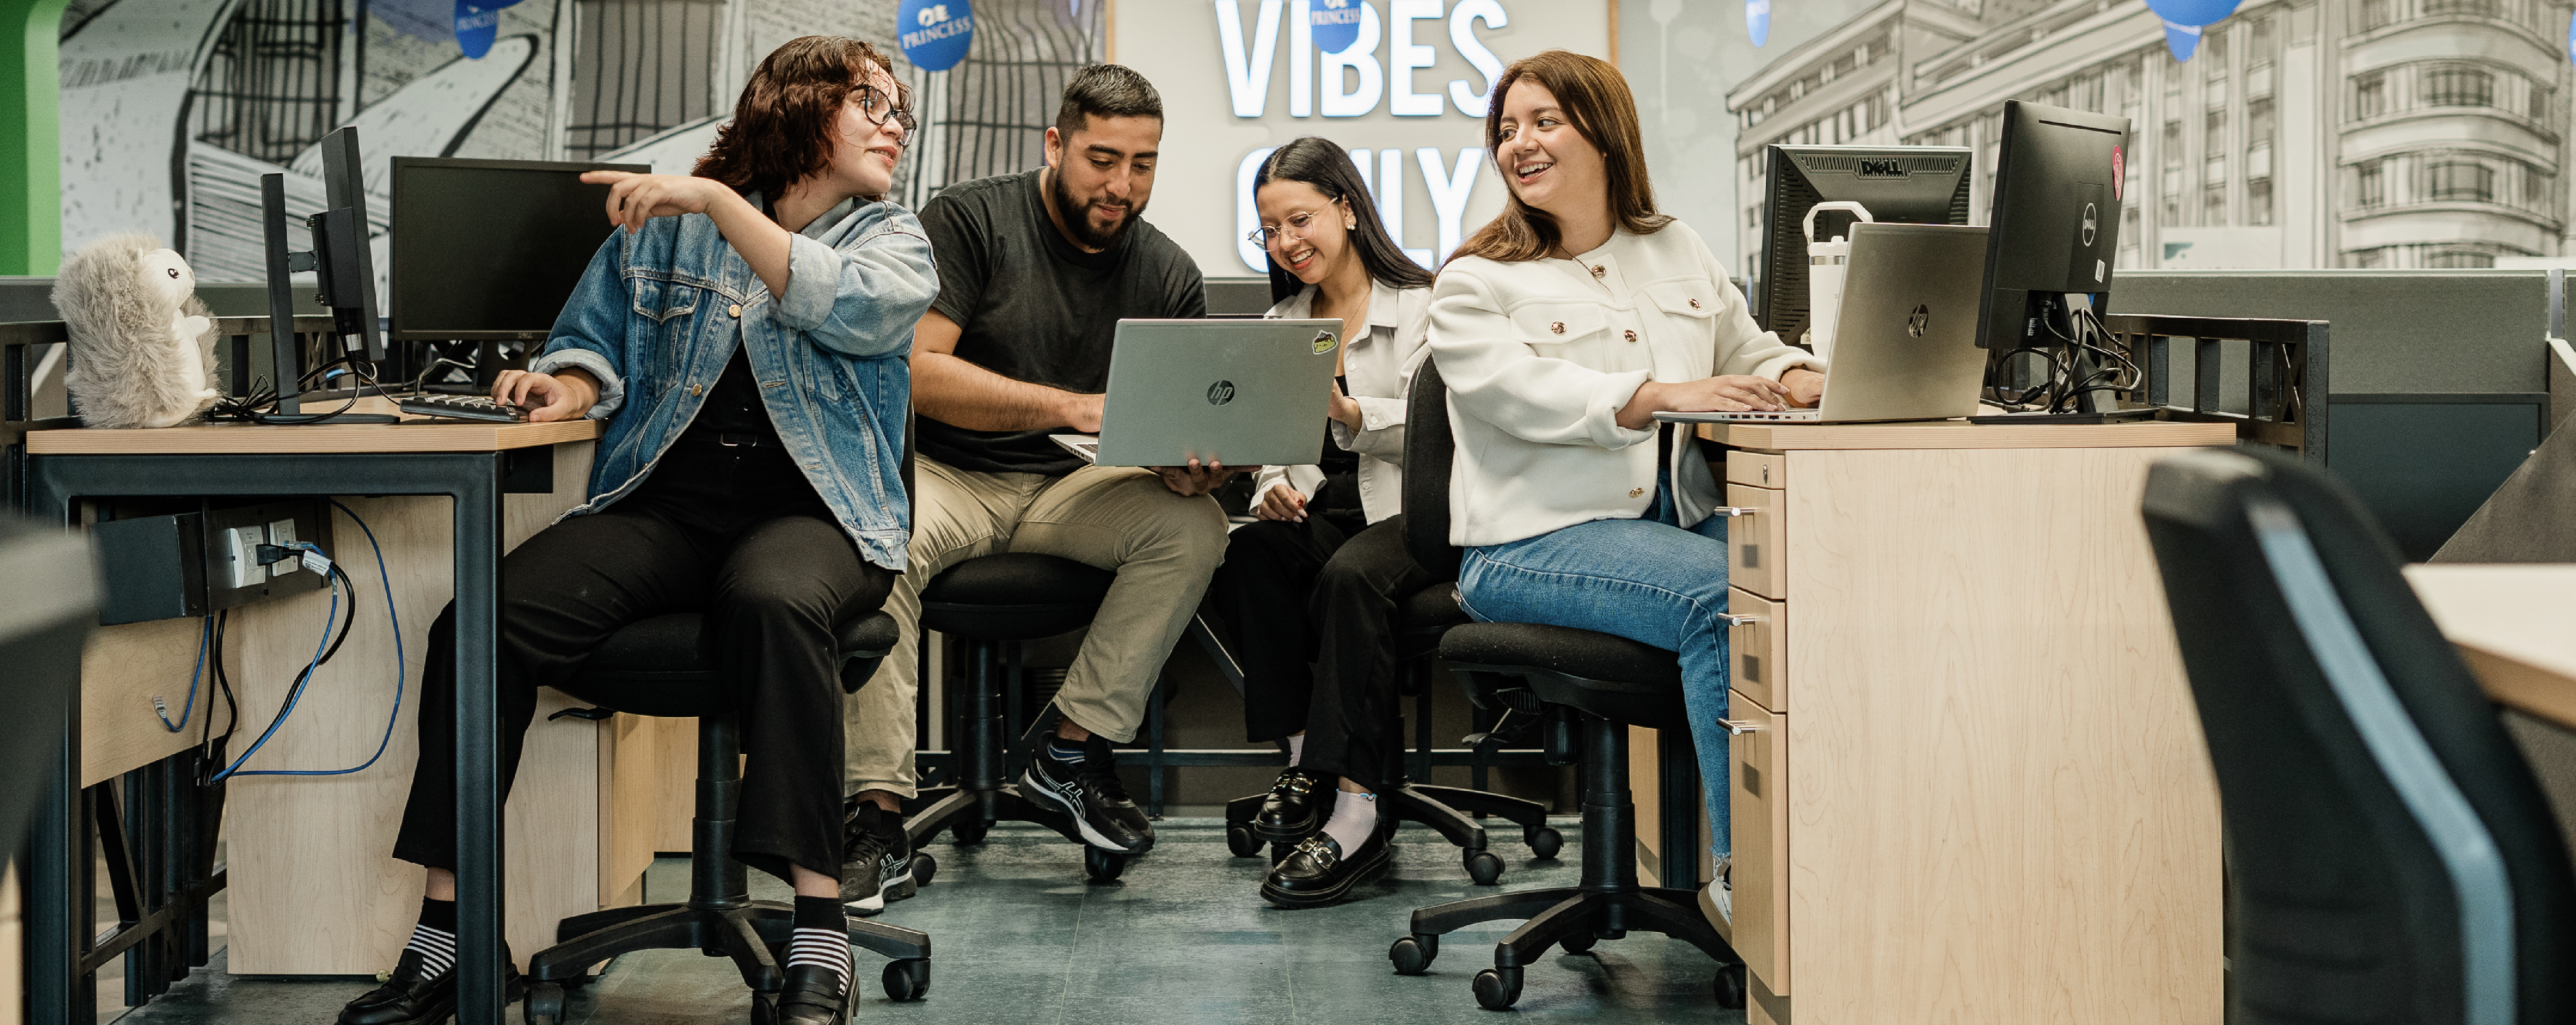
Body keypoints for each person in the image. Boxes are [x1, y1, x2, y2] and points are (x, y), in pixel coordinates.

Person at [336, 36, 932, 1025]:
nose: (892, 125)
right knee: (480, 624)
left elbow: (851, 309)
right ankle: (448, 938)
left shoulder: (891, 238)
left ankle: (819, 926)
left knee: (776, 600)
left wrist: (713, 201)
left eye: (901, 114)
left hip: (819, 512)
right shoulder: (658, 232)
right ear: (799, 106)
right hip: (667, 503)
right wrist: (558, 383)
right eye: (871, 102)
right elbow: (589, 342)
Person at [1426, 50, 1826, 929]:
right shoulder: (1474, 281)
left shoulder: (1673, 247)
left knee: (1824, 580)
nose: (1518, 144)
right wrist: (1652, 396)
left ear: (1604, 131)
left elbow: (1744, 349)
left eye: (1543, 122)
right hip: (1528, 544)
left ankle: (1834, 850)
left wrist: (1799, 375)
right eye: (1505, 131)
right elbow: (1520, 396)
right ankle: (1746, 880)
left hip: (1657, 530)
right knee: (1729, 598)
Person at [839, 64, 1223, 882]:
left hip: (1075, 490)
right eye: (1103, 159)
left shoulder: (1168, 273)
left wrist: (1196, 467)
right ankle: (877, 813)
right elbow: (919, 370)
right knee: (882, 532)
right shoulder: (971, 220)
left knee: (1191, 524)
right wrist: (1079, 408)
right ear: (1056, 144)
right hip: (955, 473)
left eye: (1144, 164)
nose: (1123, 184)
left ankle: (1071, 751)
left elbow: (1178, 421)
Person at [1201, 136, 1436, 908]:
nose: (1286, 244)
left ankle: (1358, 810)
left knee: (1349, 577)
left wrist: (1352, 413)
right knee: (1251, 555)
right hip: (1329, 513)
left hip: (1416, 512)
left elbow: (1454, 432)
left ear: (1346, 206)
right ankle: (1304, 765)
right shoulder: (1284, 320)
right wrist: (1271, 484)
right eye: (1269, 230)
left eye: (1299, 220)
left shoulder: (1429, 306)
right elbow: (1277, 446)